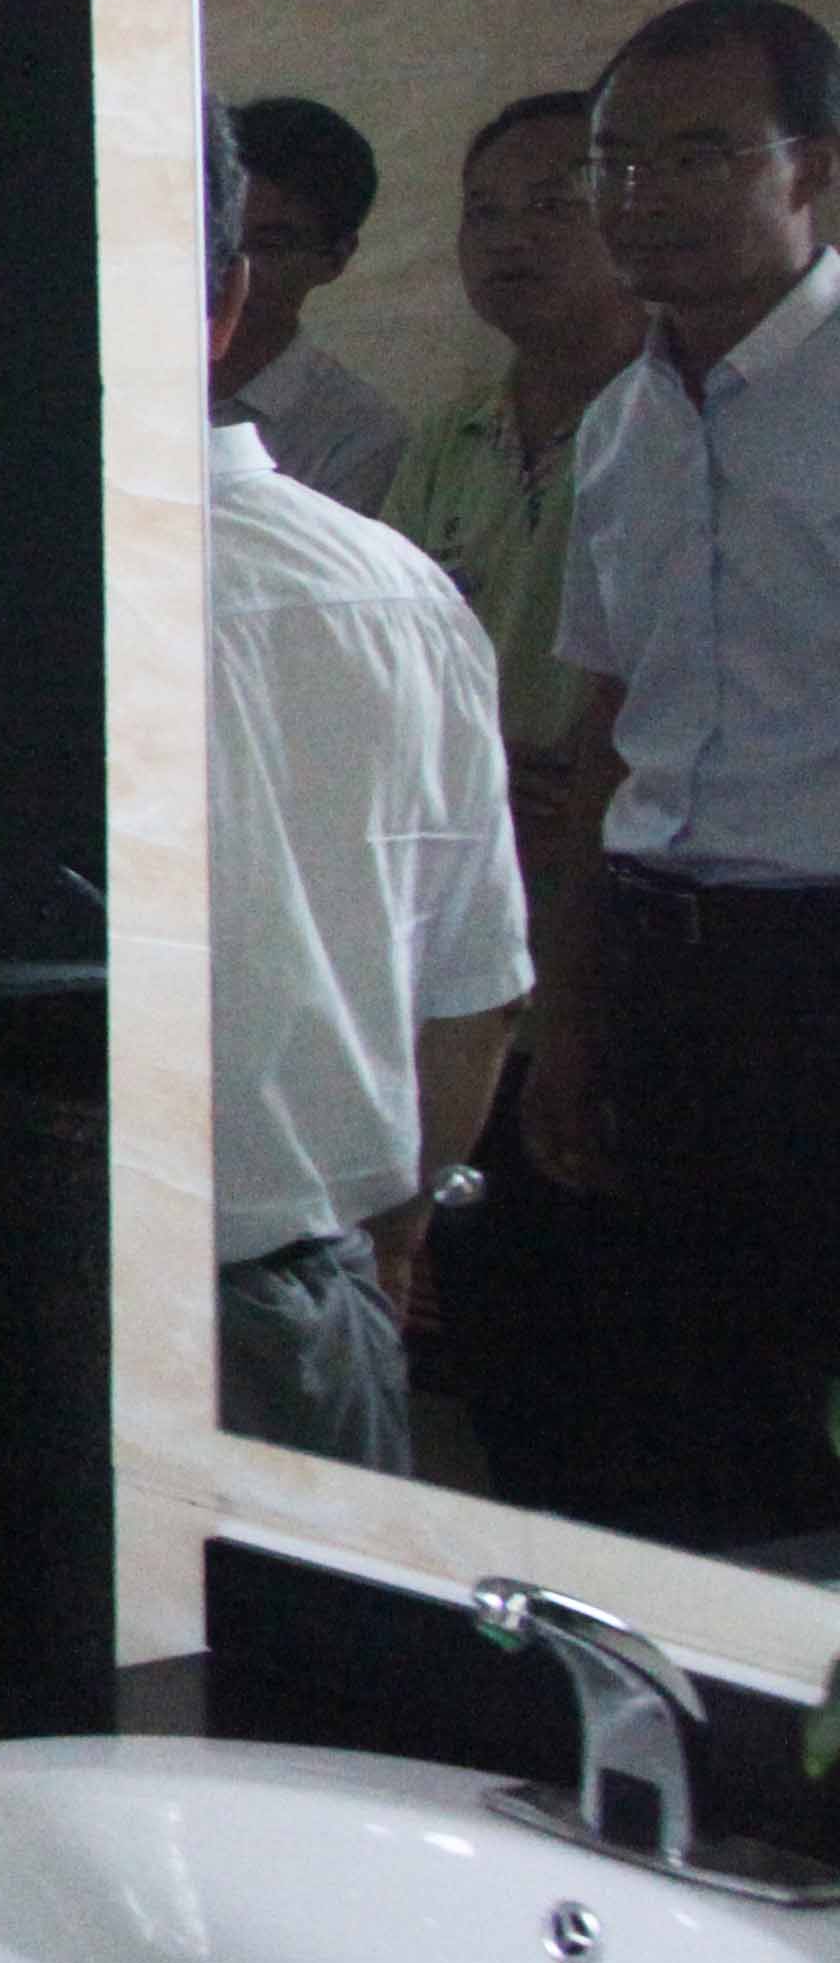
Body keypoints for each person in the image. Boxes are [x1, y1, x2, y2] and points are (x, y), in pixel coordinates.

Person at [527, 0, 840, 1547]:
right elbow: (612, 728)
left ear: (813, 171)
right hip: (667, 961)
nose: (643, 196)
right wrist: (569, 1008)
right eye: (617, 163)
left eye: (700, 156)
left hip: (822, 956)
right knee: (683, 1407)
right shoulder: (622, 425)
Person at [206, 103, 530, 1474]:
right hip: (295, 1273)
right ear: (229, 295)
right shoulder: (393, 593)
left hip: (13, 1254)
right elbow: (475, 991)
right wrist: (399, 1234)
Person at [379, 91, 643, 1503]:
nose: (510, 240)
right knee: (486, 1374)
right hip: (452, 965)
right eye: (485, 212)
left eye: (552, 203)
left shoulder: (669, 427)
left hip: (614, 958)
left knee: (618, 1382)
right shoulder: (450, 440)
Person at [214, 92, 409, 511]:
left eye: (270, 246)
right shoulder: (127, 383)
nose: (231, 270)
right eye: (217, 236)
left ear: (335, 258)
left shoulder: (358, 435)